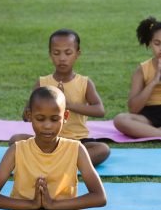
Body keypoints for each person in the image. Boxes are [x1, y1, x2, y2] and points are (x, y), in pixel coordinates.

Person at [8, 29, 110, 166]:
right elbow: (26, 114)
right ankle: (65, 162)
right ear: (50, 55)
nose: (62, 58)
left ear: (77, 54)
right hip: (46, 139)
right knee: (16, 139)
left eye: (68, 53)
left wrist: (67, 105)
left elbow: (100, 110)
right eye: (56, 53)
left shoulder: (85, 83)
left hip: (77, 141)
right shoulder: (42, 82)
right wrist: (31, 112)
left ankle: (53, 161)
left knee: (102, 149)